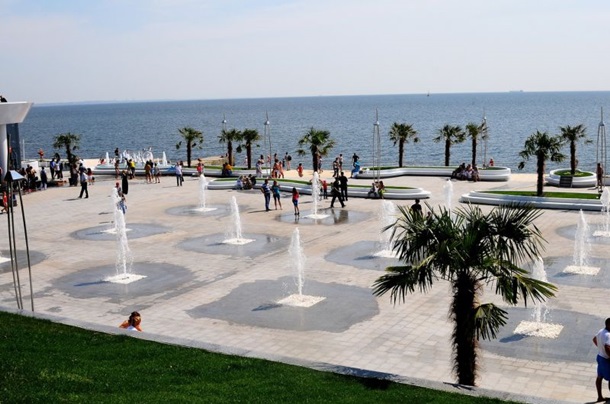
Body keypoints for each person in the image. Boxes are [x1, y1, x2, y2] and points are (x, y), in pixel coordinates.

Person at [593, 318, 610, 402]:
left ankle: (600, 397)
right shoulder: (608, 335)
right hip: (606, 360)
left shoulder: (601, 331)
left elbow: (594, 339)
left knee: (599, 377)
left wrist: (600, 348)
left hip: (600, 357)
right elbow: (607, 347)